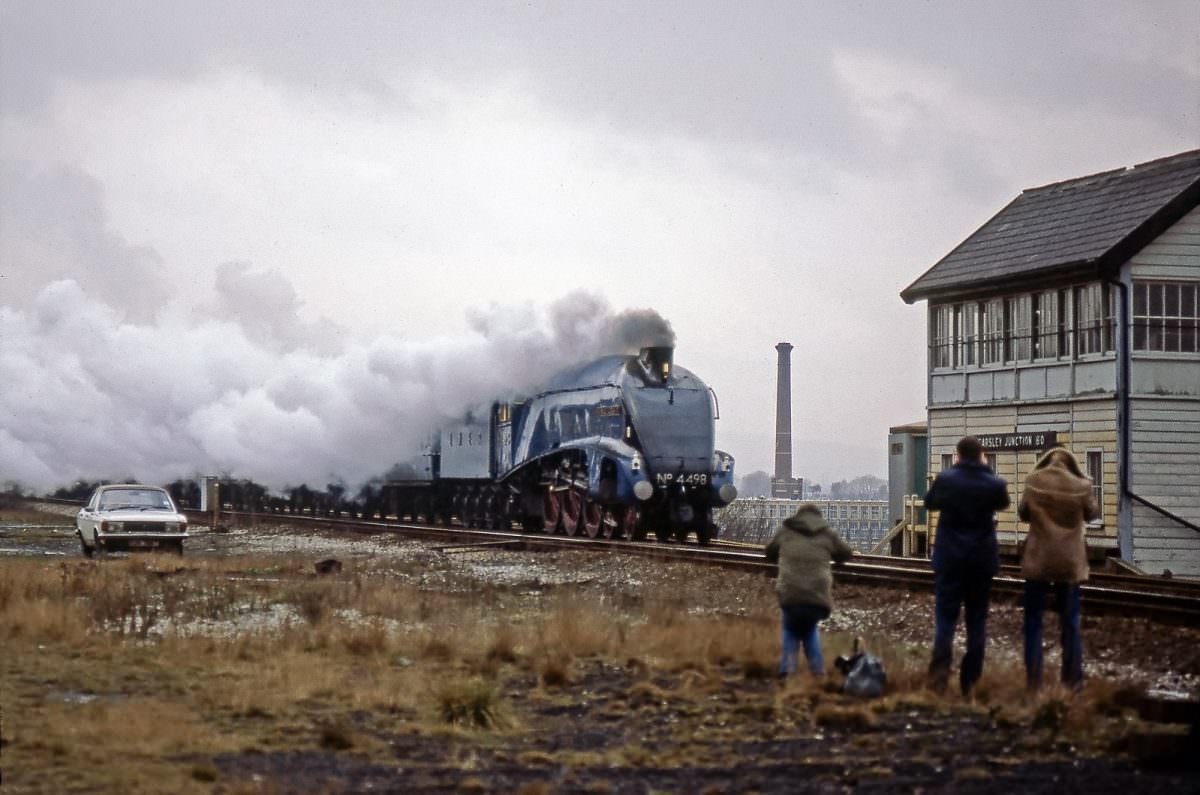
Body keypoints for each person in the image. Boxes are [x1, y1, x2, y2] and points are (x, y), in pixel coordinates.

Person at [924, 435, 1010, 696]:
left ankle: (939, 678)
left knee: (945, 621)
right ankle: (970, 680)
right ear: (981, 454)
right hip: (980, 561)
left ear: (958, 455)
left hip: (950, 559)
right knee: (977, 621)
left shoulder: (946, 480)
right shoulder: (993, 483)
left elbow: (930, 503)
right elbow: (1003, 503)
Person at [1017, 447, 1099, 691]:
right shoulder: (1081, 485)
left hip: (1039, 560)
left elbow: (1023, 514)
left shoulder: (1033, 481)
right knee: (1070, 623)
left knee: (1033, 622)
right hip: (1069, 562)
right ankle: (1072, 682)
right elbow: (1092, 514)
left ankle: (1034, 682)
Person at [765, 503, 853, 677]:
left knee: (790, 628)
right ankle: (818, 672)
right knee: (809, 629)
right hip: (817, 595)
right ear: (818, 517)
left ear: (799, 515)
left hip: (790, 593)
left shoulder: (786, 530)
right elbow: (845, 553)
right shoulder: (827, 532)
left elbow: (769, 552)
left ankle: (787, 670)